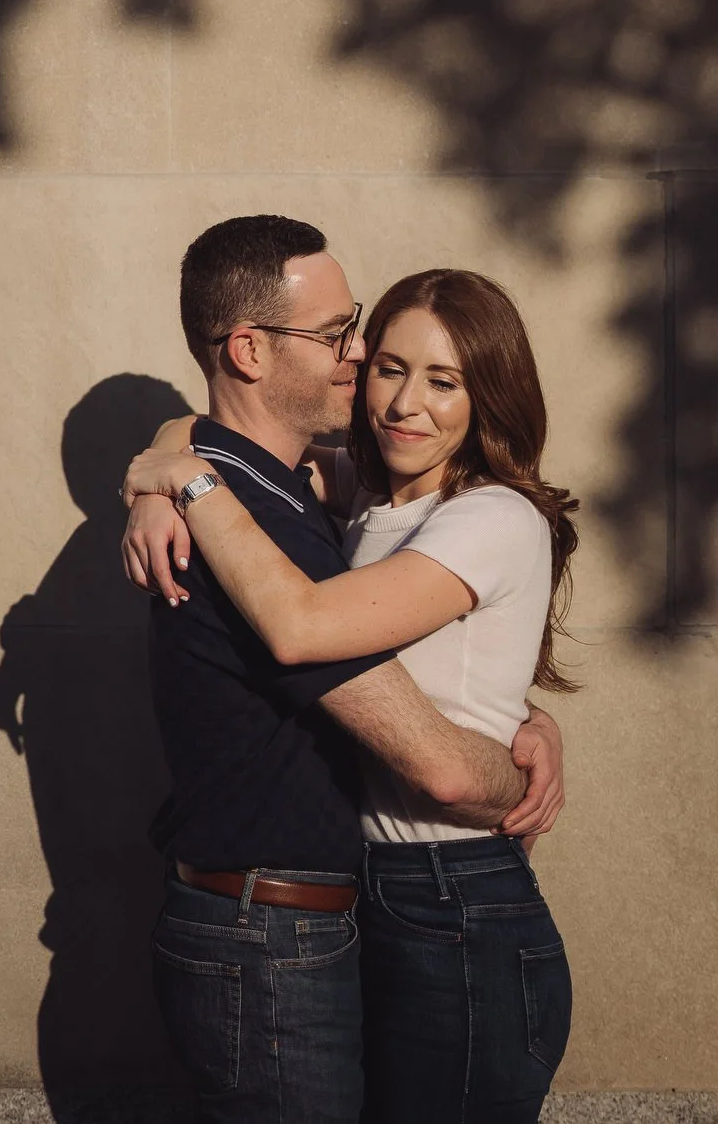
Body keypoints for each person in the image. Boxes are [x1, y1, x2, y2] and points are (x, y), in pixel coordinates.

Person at [121, 216, 563, 1124]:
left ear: (489, 398)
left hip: (454, 898)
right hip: (343, 907)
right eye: (365, 351)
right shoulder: (345, 499)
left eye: (444, 380)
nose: (382, 381)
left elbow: (311, 624)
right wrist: (166, 466)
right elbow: (230, 452)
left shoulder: (486, 517)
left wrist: (181, 474)